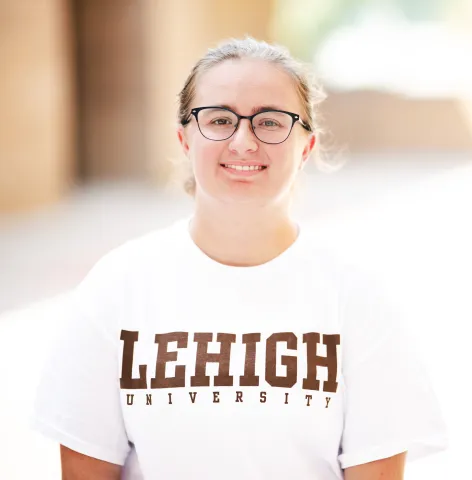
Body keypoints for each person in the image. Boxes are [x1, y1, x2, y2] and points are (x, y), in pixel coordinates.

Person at [30, 37, 448, 480]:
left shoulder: (358, 297)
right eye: (220, 119)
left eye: (270, 122)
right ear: (184, 139)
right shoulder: (117, 287)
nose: (244, 141)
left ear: (306, 147)